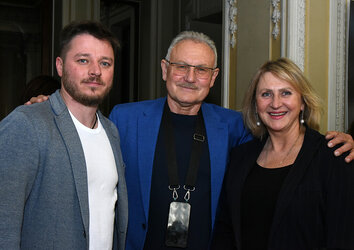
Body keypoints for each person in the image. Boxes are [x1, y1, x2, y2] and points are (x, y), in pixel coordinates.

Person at [25, 31, 354, 249]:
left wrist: (346, 139)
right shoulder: (124, 118)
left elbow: (283, 140)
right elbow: (84, 142)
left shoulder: (234, 127)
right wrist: (52, 113)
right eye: (181, 67)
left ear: (213, 78)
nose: (190, 77)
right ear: (165, 69)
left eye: (201, 70)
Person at [0, 20, 128, 249]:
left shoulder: (111, 132)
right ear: (60, 66)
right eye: (83, 60)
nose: (95, 71)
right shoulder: (27, 124)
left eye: (105, 63)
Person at [211, 58, 354, 249]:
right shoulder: (240, 157)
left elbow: (342, 237)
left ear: (302, 102)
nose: (275, 103)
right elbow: (225, 230)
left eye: (286, 93)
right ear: (255, 104)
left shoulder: (332, 156)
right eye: (266, 94)